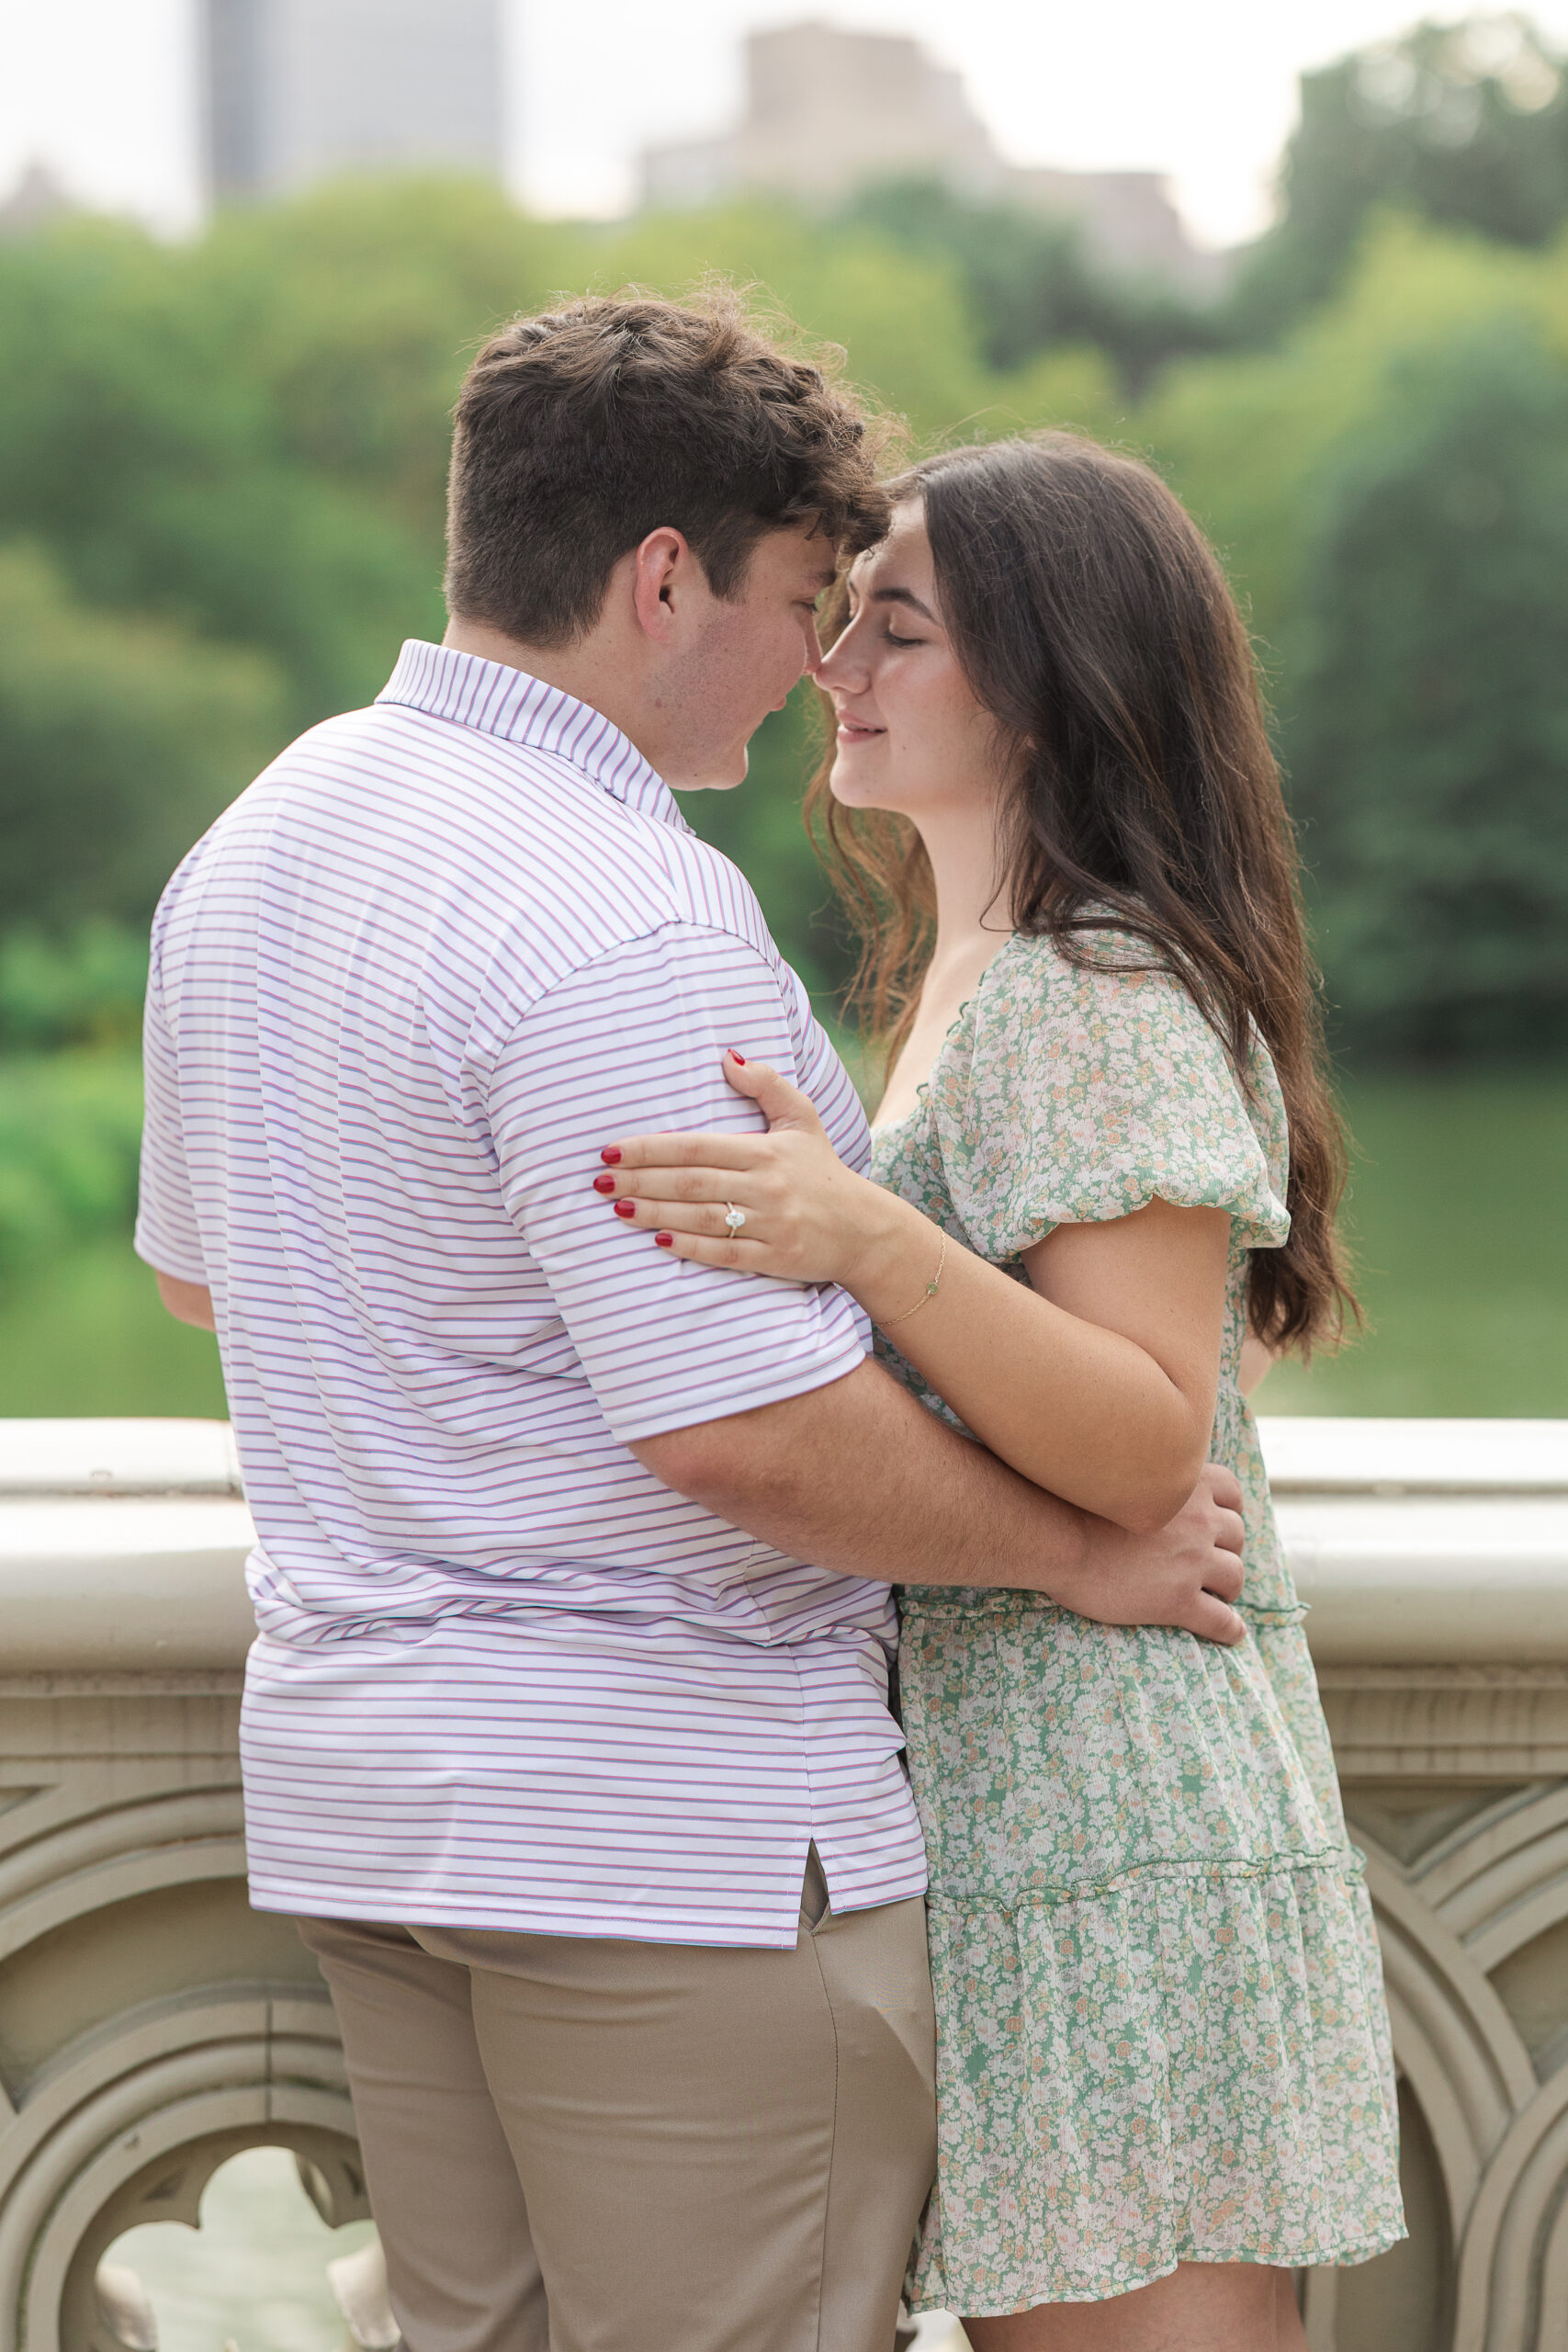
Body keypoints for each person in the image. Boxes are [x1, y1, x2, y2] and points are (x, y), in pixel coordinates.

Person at [136, 307, 1250, 2352]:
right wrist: (1075, 1552)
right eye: (804, 600)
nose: (814, 658)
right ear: (663, 577)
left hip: (372, 1809)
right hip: (661, 1841)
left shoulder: (257, 844)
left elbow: (212, 1276)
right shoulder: (613, 902)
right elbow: (740, 1428)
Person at [600, 435, 1406, 2350]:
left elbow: (1142, 1439)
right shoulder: (972, 972)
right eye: (841, 619)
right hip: (1026, 1797)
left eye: (898, 628)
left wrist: (859, 1238)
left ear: (1050, 685)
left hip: (1116, 1818)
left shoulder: (1086, 982)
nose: (835, 665)